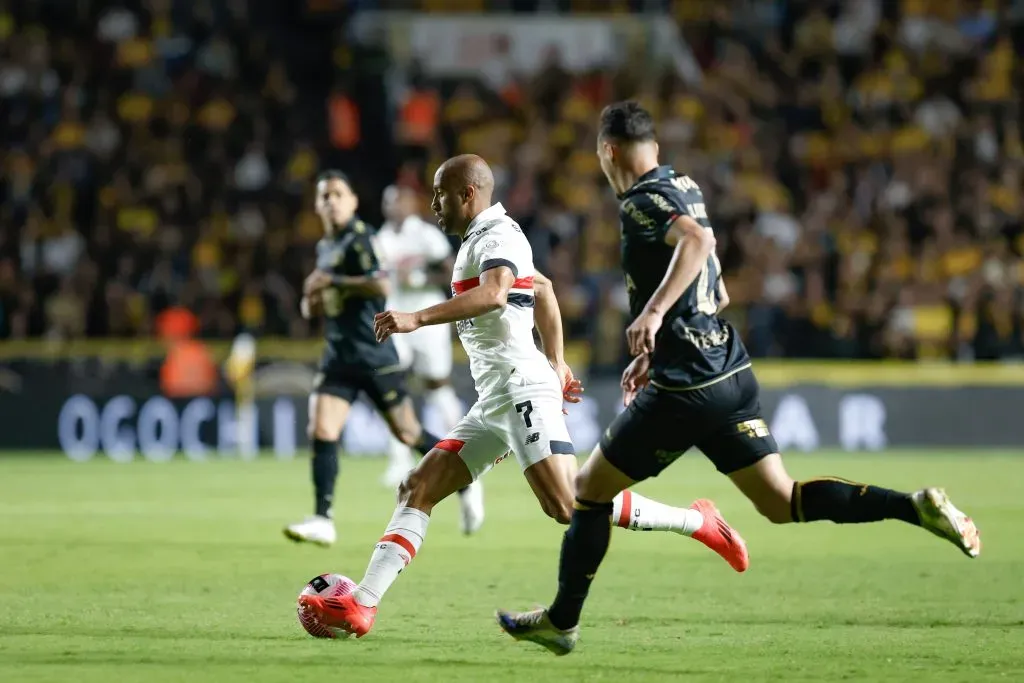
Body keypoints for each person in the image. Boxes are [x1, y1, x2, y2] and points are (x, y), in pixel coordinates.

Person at [496, 101, 982, 656]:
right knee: (781, 500)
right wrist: (663, 341)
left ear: (608, 151)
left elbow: (698, 245)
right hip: (729, 367)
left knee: (588, 492)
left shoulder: (642, 200)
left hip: (685, 388)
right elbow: (718, 287)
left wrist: (653, 315)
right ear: (654, 146)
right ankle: (913, 506)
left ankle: (562, 622)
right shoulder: (685, 186)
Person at [299, 154, 749, 638]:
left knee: (567, 505)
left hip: (519, 389)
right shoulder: (481, 238)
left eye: (441, 194)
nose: (433, 204)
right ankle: (363, 604)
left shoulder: (498, 235)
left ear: (468, 194)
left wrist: (417, 318)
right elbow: (545, 290)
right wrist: (557, 360)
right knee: (417, 487)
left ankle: (697, 521)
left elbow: (495, 294)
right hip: (496, 398)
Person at [283, 170, 447, 546]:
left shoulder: (362, 238)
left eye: (338, 194)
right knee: (322, 429)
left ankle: (466, 474)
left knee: (408, 433)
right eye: (324, 196)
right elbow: (322, 300)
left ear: (353, 201)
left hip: (373, 353)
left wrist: (334, 283)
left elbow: (381, 283)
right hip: (338, 354)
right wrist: (311, 300)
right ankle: (322, 518)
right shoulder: (327, 247)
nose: (331, 201)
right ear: (316, 205)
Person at [375, 184, 484, 534]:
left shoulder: (425, 234)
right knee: (393, 380)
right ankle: (398, 458)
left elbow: (450, 270)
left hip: (428, 316)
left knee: (437, 385)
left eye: (398, 200)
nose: (394, 206)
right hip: (396, 315)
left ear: (410, 203)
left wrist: (420, 276)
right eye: (389, 201)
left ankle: (464, 445)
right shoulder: (381, 239)